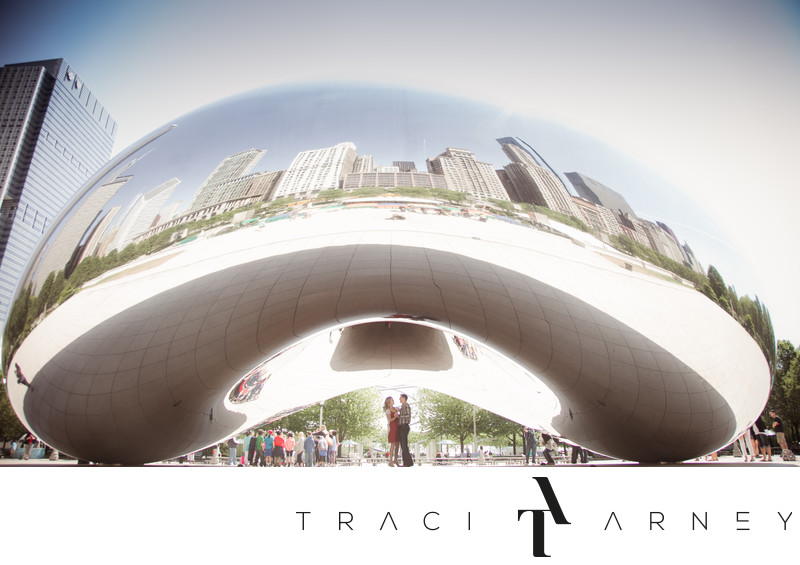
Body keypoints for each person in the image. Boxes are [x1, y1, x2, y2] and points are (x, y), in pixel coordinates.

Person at [397, 393, 413, 467]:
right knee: (403, 445)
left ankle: (407, 463)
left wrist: (399, 416)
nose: (399, 399)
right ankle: (408, 462)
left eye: (400, 398)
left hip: (404, 426)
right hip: (402, 427)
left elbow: (408, 415)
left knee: (404, 445)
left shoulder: (406, 405)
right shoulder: (403, 406)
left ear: (404, 398)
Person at [383, 397, 399, 467]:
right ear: (389, 402)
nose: (393, 401)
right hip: (392, 428)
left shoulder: (396, 409)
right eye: (392, 400)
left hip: (398, 427)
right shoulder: (387, 410)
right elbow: (390, 419)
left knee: (398, 444)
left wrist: (397, 416)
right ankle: (390, 461)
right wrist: (395, 416)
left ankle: (395, 459)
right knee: (392, 445)